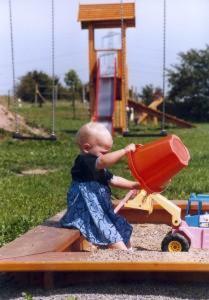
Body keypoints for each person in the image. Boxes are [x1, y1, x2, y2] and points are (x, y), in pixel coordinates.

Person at [60, 122, 140, 250]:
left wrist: (135, 184)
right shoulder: (85, 161)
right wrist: (124, 151)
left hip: (100, 208)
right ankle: (120, 250)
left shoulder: (99, 165)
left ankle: (127, 248)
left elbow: (114, 179)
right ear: (86, 148)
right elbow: (102, 161)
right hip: (87, 209)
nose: (106, 155)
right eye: (104, 152)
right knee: (106, 228)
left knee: (118, 225)